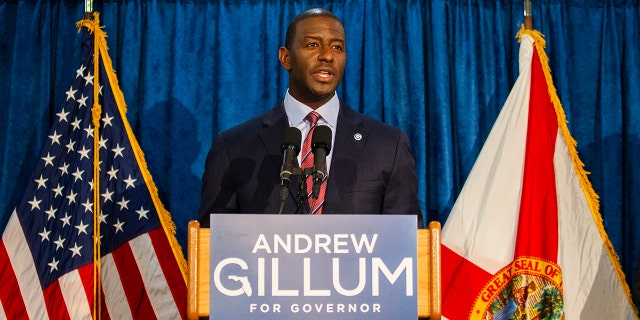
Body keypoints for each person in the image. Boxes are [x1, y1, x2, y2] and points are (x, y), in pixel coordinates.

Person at [198, 8, 422, 227]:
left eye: (337, 47)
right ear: (286, 58)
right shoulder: (234, 147)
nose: (327, 56)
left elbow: (406, 247)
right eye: (312, 44)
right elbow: (214, 248)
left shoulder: (388, 146)